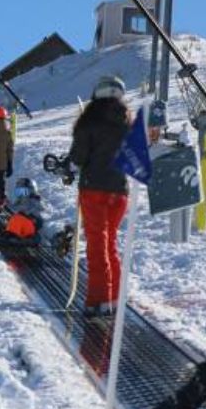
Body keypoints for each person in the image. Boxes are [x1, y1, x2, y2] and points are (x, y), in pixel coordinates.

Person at [68, 76, 130, 318]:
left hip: (94, 188)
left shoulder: (89, 123)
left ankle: (97, 300)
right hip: (120, 191)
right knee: (110, 245)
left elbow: (78, 157)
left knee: (97, 246)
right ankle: (114, 298)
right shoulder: (127, 124)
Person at [0, 177, 45, 244]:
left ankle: (14, 236)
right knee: (13, 217)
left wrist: (29, 214)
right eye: (18, 191)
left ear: (30, 190)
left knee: (17, 218)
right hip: (24, 225)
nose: (21, 194)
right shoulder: (21, 201)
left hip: (31, 225)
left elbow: (38, 209)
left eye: (23, 191)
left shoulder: (33, 199)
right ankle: (10, 234)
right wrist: (6, 204)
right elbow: (15, 208)